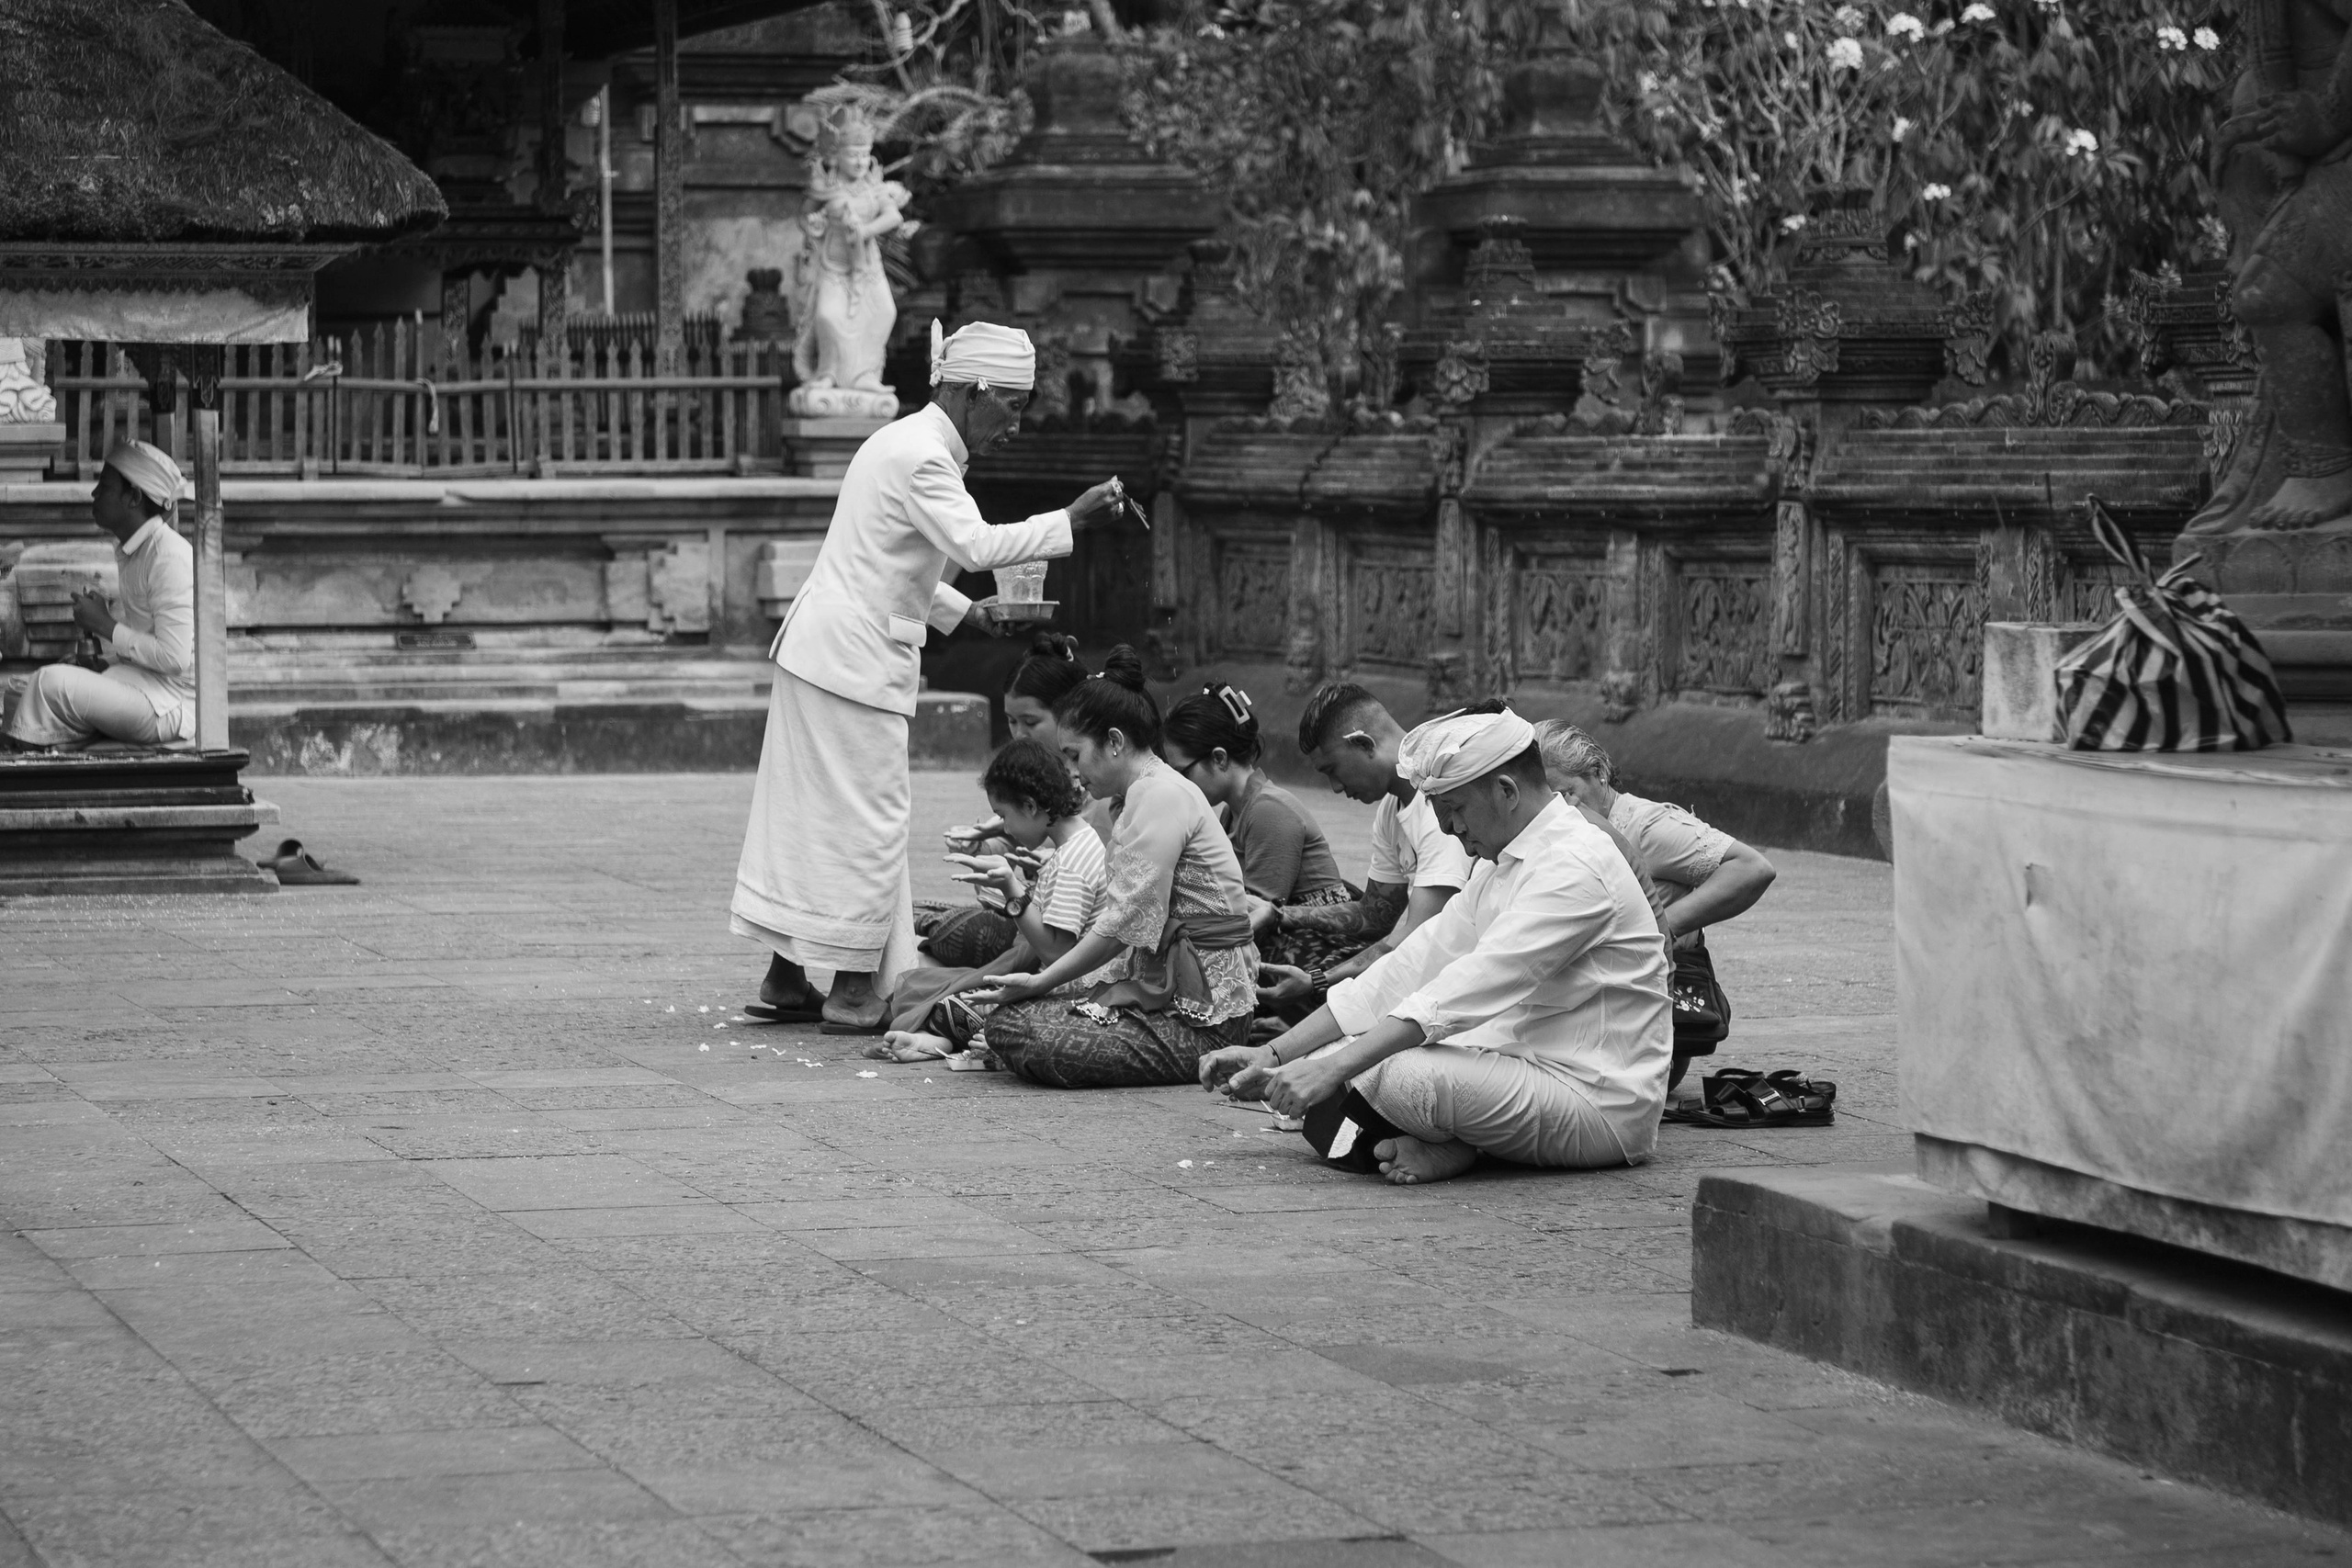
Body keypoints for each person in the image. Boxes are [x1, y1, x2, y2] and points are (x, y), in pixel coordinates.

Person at [730, 321, 1127, 1032]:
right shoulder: (922, 456)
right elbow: (974, 544)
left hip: (826, 652)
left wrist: (965, 615)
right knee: (870, 823)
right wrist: (1069, 518)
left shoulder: (899, 441)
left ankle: (787, 974)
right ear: (972, 391)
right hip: (850, 663)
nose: (1015, 426)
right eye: (1011, 405)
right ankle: (853, 989)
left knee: (808, 818)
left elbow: (887, 561)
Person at [1201, 707, 1671, 1185]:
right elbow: (1412, 964)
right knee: (1351, 1054)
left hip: (1599, 1102)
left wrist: (1328, 1068)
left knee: (1390, 1072)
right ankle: (1460, 1143)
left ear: (1506, 792)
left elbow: (1462, 990)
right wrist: (1276, 1055)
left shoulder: (1575, 865)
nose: (1448, 829)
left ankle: (1461, 1144)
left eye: (1455, 809)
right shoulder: (1503, 859)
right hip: (1519, 1066)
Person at [966, 647, 1258, 1088]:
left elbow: (1123, 923)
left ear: (1115, 742)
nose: (1071, 771)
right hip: (1166, 987)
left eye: (1075, 755)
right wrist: (1043, 984)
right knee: (1006, 1016)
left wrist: (1043, 981)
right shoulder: (1145, 792)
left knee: (1012, 1026)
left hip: (1206, 1016)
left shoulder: (1159, 794)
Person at [1532, 720, 1777, 1089]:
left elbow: (1751, 868)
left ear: (1599, 773)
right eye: (1549, 799)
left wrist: (1660, 926)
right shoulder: (1565, 828)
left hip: (1645, 1040)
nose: (1562, 807)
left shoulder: (1644, 826)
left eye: (1567, 793)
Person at [877, 738, 1108, 1061]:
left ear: (1030, 806)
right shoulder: (1074, 846)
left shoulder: (1073, 862)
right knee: (943, 990)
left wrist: (1012, 889)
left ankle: (946, 1040)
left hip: (1072, 989)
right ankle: (944, 1040)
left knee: (958, 1005)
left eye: (1003, 815)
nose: (1004, 827)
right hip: (1057, 978)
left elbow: (1057, 953)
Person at [1254, 683, 1472, 1009]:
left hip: (1457, 975)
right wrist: (1277, 915)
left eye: (1332, 770)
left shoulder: (1439, 798)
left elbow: (1416, 940)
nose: (1336, 787)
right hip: (1421, 958)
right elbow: (1373, 915)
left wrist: (1318, 982)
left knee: (1318, 987)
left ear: (1364, 743)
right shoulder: (1392, 807)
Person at [919, 634, 1107, 965]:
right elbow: (1022, 838)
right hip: (1044, 920)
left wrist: (1016, 887)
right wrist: (982, 849)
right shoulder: (1040, 784)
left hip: (1065, 943)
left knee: (948, 932)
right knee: (925, 920)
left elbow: (1059, 951)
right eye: (1011, 721)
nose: (1018, 734)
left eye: (1031, 722)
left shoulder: (1099, 784)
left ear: (1070, 715)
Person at [4, 442, 193, 753]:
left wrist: (105, 625)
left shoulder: (169, 556)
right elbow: (147, 642)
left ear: (133, 497)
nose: (94, 494)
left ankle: (33, 771)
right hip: (139, 683)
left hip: (169, 704)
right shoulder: (135, 550)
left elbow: (174, 659)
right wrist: (102, 661)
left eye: (104, 487)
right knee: (18, 691)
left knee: (47, 683)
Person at [1160, 683, 1351, 967]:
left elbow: (1253, 919)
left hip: (1320, 951)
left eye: (1182, 772)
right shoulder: (1230, 814)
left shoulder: (1267, 811)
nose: (1178, 785)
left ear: (1219, 758)